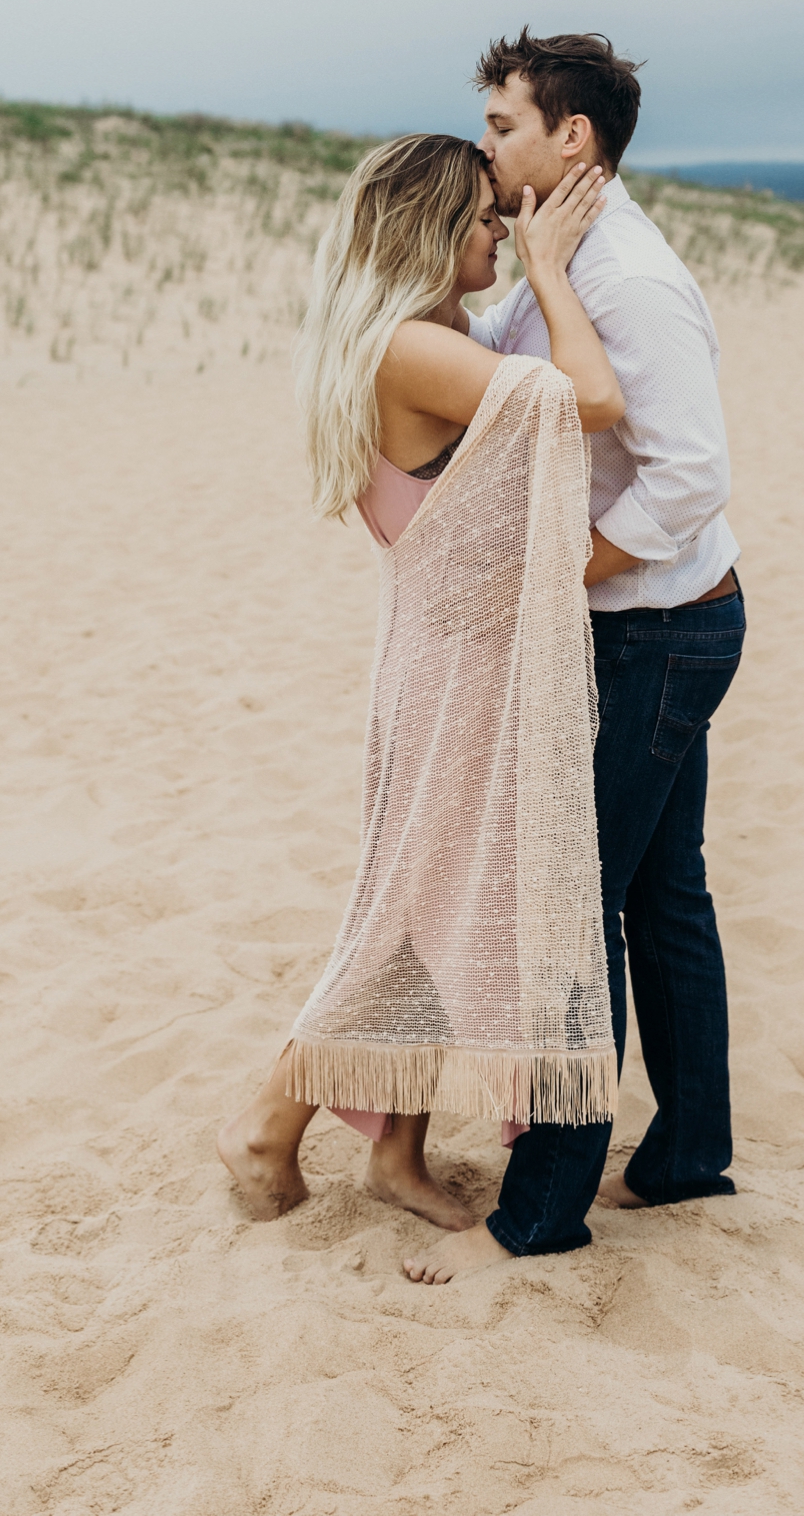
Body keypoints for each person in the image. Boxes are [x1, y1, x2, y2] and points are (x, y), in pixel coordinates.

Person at [217, 132, 626, 1235]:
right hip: (454, 676)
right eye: (488, 220)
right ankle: (266, 1120)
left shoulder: (418, 334)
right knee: (403, 914)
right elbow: (586, 396)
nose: (501, 231)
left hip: (445, 661)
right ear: (436, 231)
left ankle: (394, 1152)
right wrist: (549, 271)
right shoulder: (407, 347)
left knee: (423, 914)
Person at [402, 29, 744, 1286]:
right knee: (660, 895)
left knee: (572, 902)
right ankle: (687, 1150)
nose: (487, 144)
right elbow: (489, 357)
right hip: (651, 625)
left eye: (501, 124)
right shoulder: (562, 257)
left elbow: (692, 476)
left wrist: (562, 568)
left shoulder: (632, 281)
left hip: (661, 628)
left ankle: (541, 1210)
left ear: (570, 139)